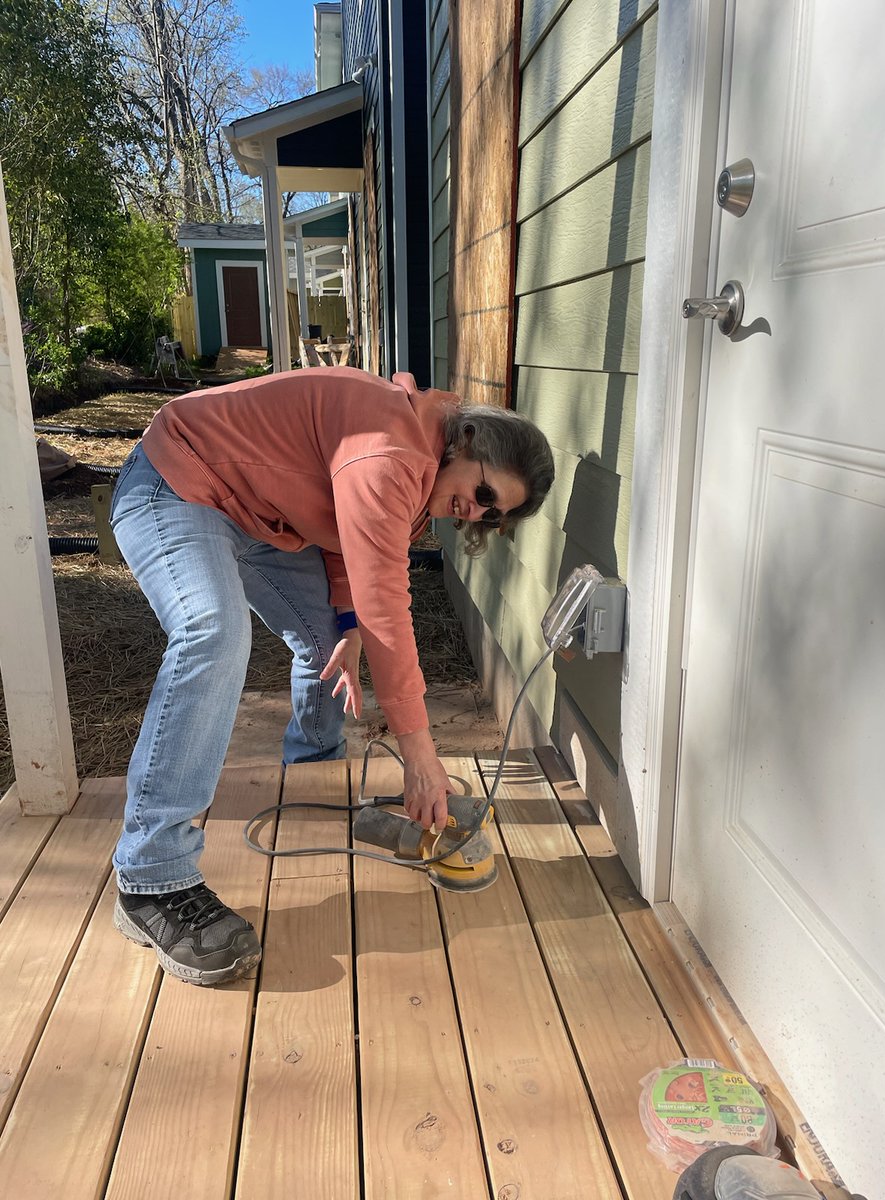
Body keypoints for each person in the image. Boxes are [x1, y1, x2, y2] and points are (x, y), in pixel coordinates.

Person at [108, 366, 554, 985]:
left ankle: (315, 773)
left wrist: (345, 626)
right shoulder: (393, 448)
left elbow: (349, 543)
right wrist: (421, 757)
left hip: (257, 514)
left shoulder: (422, 462)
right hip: (176, 482)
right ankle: (151, 879)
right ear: (471, 440)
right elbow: (387, 605)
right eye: (484, 494)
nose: (474, 513)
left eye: (490, 515)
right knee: (214, 632)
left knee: (326, 642)